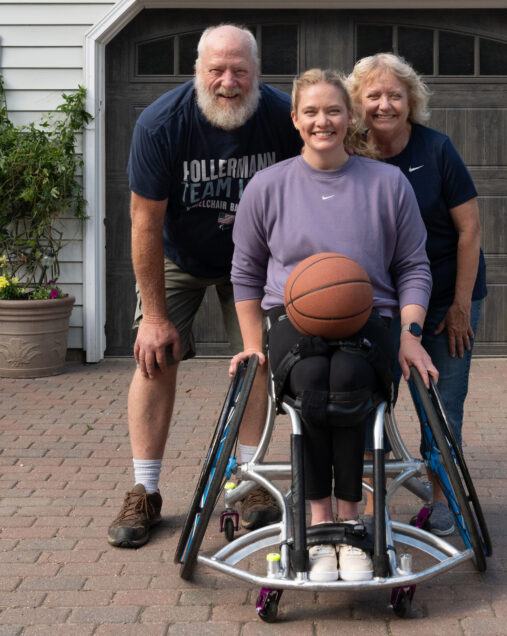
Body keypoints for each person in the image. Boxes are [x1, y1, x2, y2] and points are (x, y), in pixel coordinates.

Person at [230, 69, 437, 582]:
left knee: (347, 381)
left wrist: (410, 338)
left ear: (350, 117)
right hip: (290, 317)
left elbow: (414, 266)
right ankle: (319, 526)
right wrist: (254, 345)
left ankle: (353, 521)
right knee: (310, 383)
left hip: (370, 318)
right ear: (296, 119)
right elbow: (246, 273)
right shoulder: (268, 186)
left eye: (334, 110)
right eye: (312, 112)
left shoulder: (388, 184)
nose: (323, 121)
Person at [107, 24, 302, 549]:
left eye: (240, 70)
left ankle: (250, 480)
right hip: (181, 255)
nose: (228, 81)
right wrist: (153, 316)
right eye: (216, 69)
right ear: (198, 70)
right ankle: (144, 491)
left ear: (256, 72)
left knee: (258, 356)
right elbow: (144, 223)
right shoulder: (161, 123)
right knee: (155, 354)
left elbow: (318, 180)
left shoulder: (284, 118)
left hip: (255, 258)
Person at [348, 53, 487, 536]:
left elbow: (469, 231)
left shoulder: (437, 149)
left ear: (411, 101)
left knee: (441, 408)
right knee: (364, 406)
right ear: (357, 103)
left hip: (448, 296)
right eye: (373, 96)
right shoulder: (350, 153)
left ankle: (446, 501)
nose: (384, 105)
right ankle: (368, 509)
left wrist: (459, 308)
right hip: (379, 304)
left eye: (394, 95)